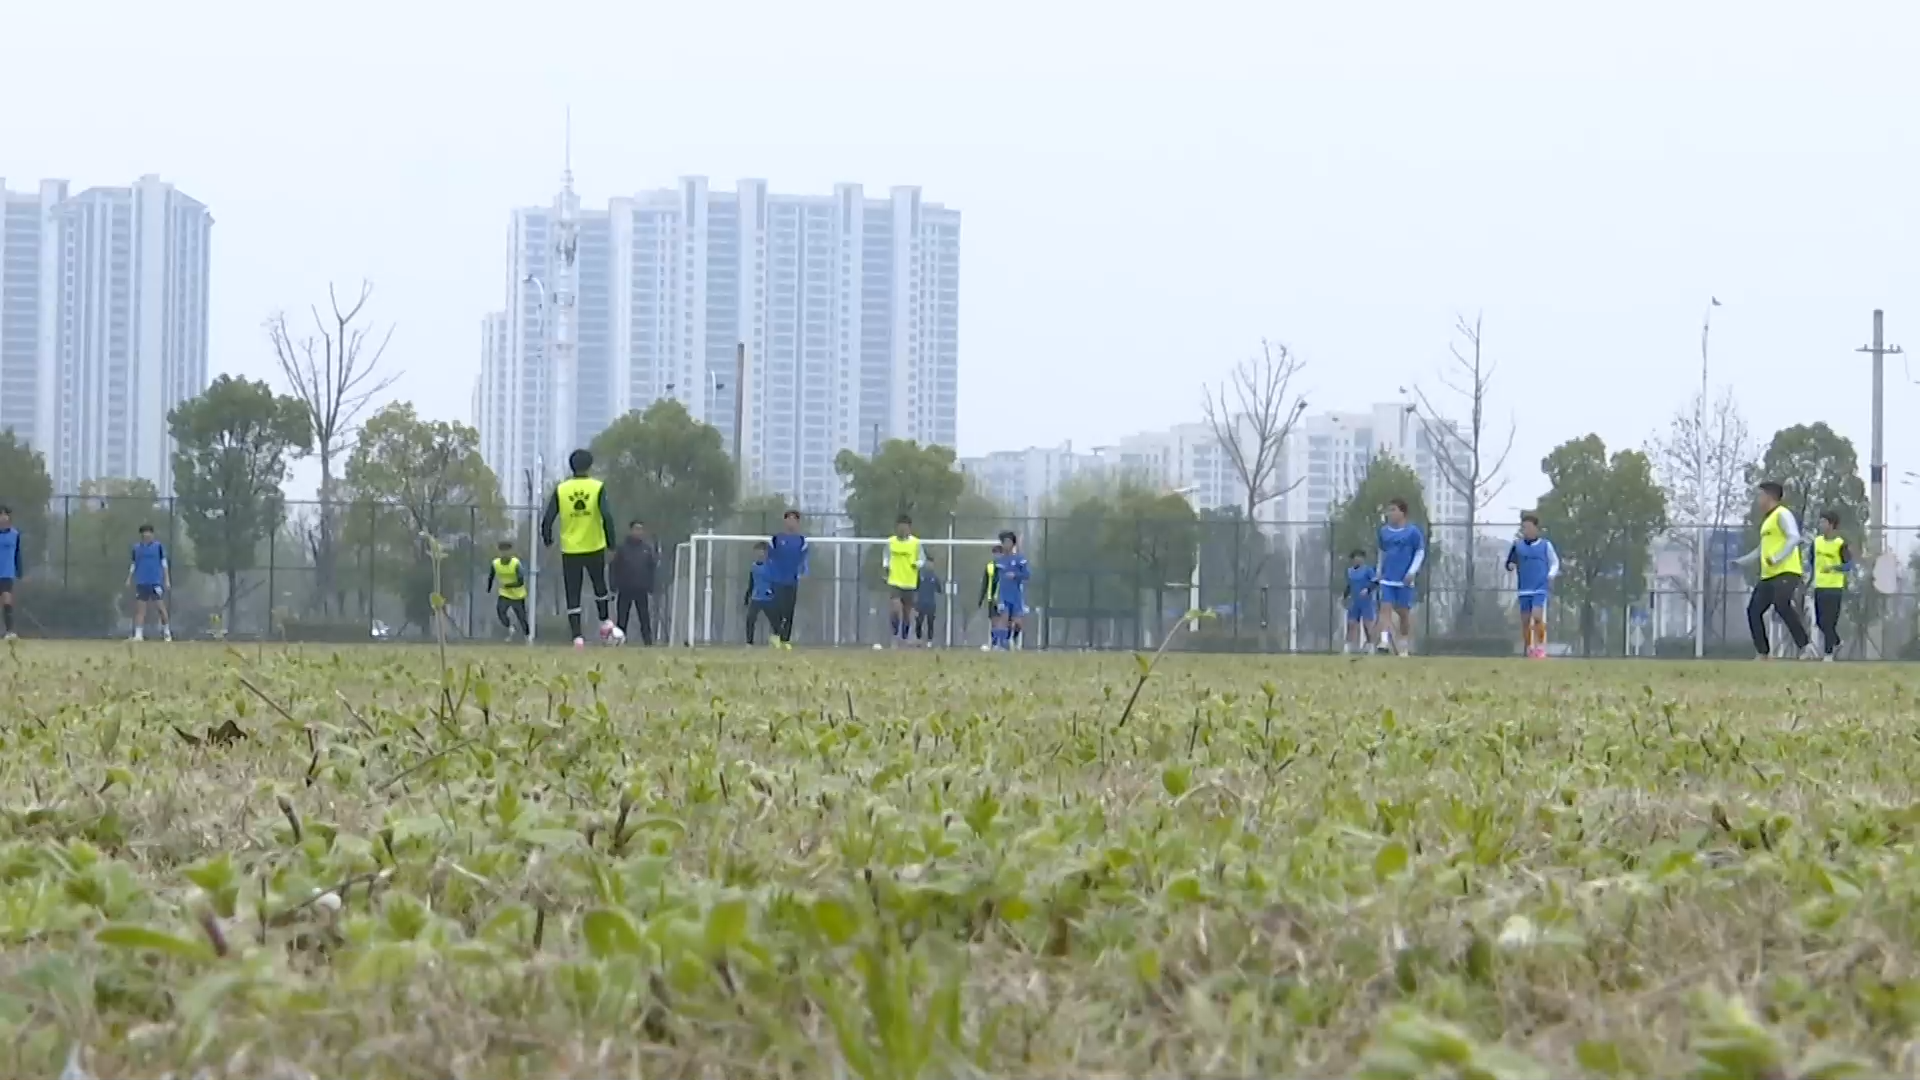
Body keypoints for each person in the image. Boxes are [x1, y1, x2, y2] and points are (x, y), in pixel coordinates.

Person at [540, 448, 620, 649]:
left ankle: (577, 638)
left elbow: (547, 519)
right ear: (590, 465)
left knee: (573, 592)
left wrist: (547, 539)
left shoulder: (562, 489)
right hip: (594, 546)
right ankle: (605, 622)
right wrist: (611, 543)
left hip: (571, 549)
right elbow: (607, 517)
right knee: (599, 586)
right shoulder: (597, 487)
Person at [1737, 480, 1817, 660]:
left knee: (1781, 604)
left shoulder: (1783, 514)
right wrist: (1742, 561)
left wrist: (1777, 558)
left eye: (1760, 495)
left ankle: (1805, 647)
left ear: (1769, 496)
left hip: (1787, 571)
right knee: (1753, 611)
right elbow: (1761, 549)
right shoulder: (1767, 521)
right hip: (1768, 575)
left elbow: (1794, 538)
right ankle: (1763, 653)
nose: (1758, 500)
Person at [1375, 498, 1426, 656]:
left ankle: (1403, 645)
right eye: (1389, 510)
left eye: (1393, 510)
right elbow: (1381, 552)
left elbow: (1420, 552)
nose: (1390, 513)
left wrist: (1412, 572)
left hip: (1404, 580)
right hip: (1387, 578)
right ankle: (1384, 641)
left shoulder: (1413, 532)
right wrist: (1379, 570)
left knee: (1404, 614)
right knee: (1385, 608)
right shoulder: (1384, 532)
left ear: (1402, 512)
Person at [1505, 513, 1561, 659]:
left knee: (1537, 616)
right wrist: (1511, 566)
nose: (1526, 530)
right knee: (1525, 621)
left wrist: (1550, 575)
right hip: (1524, 587)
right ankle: (1529, 648)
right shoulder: (1517, 545)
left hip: (1540, 586)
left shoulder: (1545, 545)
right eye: (1524, 527)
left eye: (1529, 527)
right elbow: (1510, 562)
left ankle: (1540, 647)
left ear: (1536, 528)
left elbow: (1555, 562)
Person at [1811, 510, 1853, 661]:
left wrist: (1834, 568)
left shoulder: (1840, 544)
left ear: (1832, 525)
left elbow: (1848, 565)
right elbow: (1811, 561)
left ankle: (1828, 654)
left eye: (1824, 522)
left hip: (1834, 588)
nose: (1821, 525)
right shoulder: (1816, 542)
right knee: (1820, 622)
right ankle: (1837, 642)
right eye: (1820, 521)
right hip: (1819, 586)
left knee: (1829, 622)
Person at [765, 510, 809, 649]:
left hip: (792, 581)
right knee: (776, 610)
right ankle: (775, 635)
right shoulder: (776, 539)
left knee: (789, 611)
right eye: (788, 519)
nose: (791, 522)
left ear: (797, 522)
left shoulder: (801, 540)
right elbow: (769, 558)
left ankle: (785, 640)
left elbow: (804, 559)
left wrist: (804, 572)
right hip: (776, 580)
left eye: (794, 519)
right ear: (784, 521)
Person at [610, 520, 658, 646]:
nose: (638, 532)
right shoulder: (622, 548)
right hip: (625, 588)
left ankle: (648, 642)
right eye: (636, 529)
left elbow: (651, 568)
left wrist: (651, 586)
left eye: (640, 529)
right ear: (631, 530)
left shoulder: (646, 549)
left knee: (644, 617)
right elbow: (614, 567)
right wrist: (613, 585)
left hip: (641, 589)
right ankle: (620, 642)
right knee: (622, 618)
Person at [881, 515, 924, 647]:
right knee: (895, 608)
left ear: (909, 528)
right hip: (895, 580)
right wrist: (886, 566)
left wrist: (917, 564)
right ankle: (894, 633)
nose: (902, 530)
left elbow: (922, 559)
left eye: (905, 528)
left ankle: (904, 636)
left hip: (909, 582)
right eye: (900, 527)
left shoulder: (915, 543)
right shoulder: (891, 542)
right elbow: (886, 556)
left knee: (907, 612)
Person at [126, 524, 172, 641]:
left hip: (155, 582)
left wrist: (166, 579)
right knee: (140, 610)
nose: (146, 535)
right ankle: (138, 635)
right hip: (142, 582)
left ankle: (167, 632)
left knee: (160, 608)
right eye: (144, 532)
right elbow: (134, 564)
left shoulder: (158, 547)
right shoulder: (136, 548)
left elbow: (164, 564)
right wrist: (129, 578)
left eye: (148, 532)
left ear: (152, 534)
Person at [992, 531, 1032, 651]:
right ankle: (1002, 645)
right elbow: (995, 578)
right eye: (1004, 542)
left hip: (1016, 595)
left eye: (1009, 542)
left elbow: (1027, 575)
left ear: (1013, 544)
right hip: (1003, 595)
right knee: (1003, 619)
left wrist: (1015, 575)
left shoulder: (1019, 559)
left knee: (1018, 622)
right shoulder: (999, 561)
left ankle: (1012, 639)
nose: (1006, 545)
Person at [487, 539, 530, 640]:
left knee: (522, 617)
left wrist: (509, 585)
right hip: (504, 594)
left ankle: (527, 636)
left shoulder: (516, 563)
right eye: (502, 551)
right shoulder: (495, 563)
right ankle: (510, 627)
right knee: (500, 611)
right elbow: (491, 576)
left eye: (507, 551)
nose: (504, 554)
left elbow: (521, 581)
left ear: (511, 552)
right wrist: (489, 587)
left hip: (518, 595)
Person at [1342, 549, 1376, 654]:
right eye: (1356, 557)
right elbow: (1349, 585)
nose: (1358, 559)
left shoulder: (1368, 570)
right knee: (1351, 623)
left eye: (1360, 557)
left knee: (1367, 624)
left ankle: (1370, 646)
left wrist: (1367, 589)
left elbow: (1374, 582)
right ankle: (1348, 647)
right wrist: (1345, 597)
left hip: (1366, 601)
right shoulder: (1350, 571)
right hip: (1354, 601)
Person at [743, 542, 777, 646]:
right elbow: (751, 583)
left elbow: (776, 582)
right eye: (758, 552)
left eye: (762, 552)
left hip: (768, 598)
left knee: (775, 621)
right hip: (756, 598)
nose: (759, 554)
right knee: (750, 619)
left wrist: (775, 593)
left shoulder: (771, 566)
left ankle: (777, 641)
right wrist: (747, 596)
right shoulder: (754, 567)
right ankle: (749, 642)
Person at [0, 505, 20, 640]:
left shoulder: (15, 534)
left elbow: (18, 554)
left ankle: (9, 631)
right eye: (0, 514)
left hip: (7, 574)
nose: (3, 517)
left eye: (5, 514)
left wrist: (19, 571)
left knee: (7, 600)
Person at [978, 543, 1002, 648]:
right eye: (995, 554)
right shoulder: (989, 566)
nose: (996, 556)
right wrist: (981, 598)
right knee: (994, 621)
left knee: (1004, 621)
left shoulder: (1006, 566)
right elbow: (985, 583)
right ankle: (994, 643)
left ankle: (1003, 643)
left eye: (998, 553)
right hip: (992, 598)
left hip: (1004, 598)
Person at [914, 564, 942, 646]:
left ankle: (929, 641)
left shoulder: (935, 577)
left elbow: (939, 589)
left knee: (930, 622)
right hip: (921, 602)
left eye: (931, 564)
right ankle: (919, 638)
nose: (930, 566)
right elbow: (915, 587)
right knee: (919, 621)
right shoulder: (920, 576)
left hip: (931, 603)